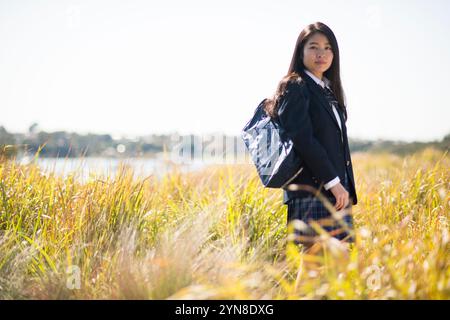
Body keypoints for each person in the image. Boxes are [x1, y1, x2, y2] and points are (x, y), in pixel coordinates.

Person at [263, 22, 358, 248]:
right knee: (313, 266)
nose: (321, 54)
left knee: (337, 266)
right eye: (314, 47)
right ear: (301, 52)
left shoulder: (327, 90)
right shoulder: (295, 86)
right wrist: (333, 182)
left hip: (335, 191)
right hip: (312, 190)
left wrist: (340, 185)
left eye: (328, 48)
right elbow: (303, 139)